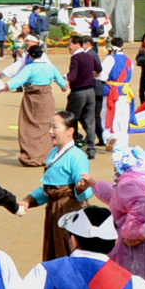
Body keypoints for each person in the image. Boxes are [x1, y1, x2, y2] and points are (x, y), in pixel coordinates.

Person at [25, 111, 96, 262]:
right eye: (50, 127)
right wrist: (28, 201)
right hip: (54, 210)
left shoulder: (77, 156)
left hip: (69, 211)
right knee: (55, 252)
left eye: (55, 127)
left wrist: (81, 189)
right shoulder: (53, 153)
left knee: (68, 252)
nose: (50, 131)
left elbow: (86, 191)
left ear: (70, 131)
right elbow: (49, 189)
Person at [105, 144, 145, 286]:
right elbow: (119, 200)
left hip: (134, 245)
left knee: (131, 283)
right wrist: (94, 185)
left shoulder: (127, 184)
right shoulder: (139, 181)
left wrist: (132, 232)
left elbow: (140, 203)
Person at [4, 43, 68, 168]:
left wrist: (5, 86)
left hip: (31, 99)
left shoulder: (30, 68)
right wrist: (64, 87)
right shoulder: (50, 67)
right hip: (46, 98)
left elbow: (17, 80)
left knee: (28, 126)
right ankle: (45, 155)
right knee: (46, 126)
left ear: (31, 56)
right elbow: (62, 83)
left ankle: (31, 154)